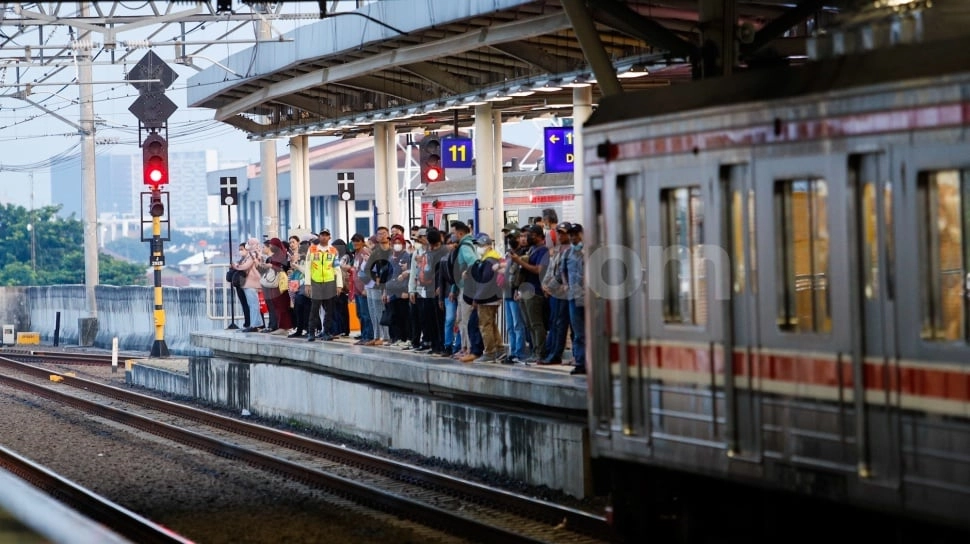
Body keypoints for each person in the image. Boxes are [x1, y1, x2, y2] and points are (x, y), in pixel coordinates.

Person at [306, 229, 339, 341]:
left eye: (326, 235)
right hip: (316, 282)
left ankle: (326, 332)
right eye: (322, 235)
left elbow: (337, 268)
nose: (324, 237)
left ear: (329, 237)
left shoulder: (333, 250)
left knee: (329, 309)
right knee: (314, 308)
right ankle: (311, 332)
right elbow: (307, 267)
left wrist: (339, 284)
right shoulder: (312, 249)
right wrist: (307, 283)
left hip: (330, 282)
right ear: (319, 237)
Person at [564, 223, 586, 375]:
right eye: (571, 235)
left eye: (575, 234)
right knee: (578, 332)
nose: (573, 237)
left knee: (590, 331)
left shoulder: (590, 251)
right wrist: (566, 285)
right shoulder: (567, 253)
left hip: (588, 297)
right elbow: (563, 271)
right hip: (573, 297)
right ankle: (580, 362)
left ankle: (592, 361)